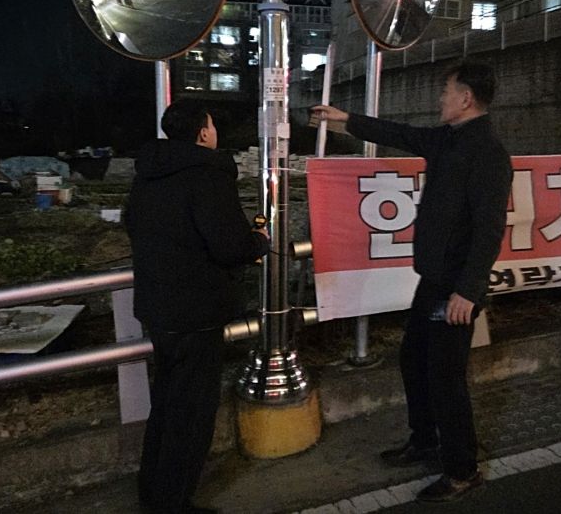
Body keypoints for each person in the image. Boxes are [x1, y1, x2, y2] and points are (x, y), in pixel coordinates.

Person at [311, 61, 512, 503]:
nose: (440, 98)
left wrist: (468, 290)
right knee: (413, 361)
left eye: (446, 90)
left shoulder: (488, 153)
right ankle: (425, 441)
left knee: (445, 377)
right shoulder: (448, 139)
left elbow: (490, 228)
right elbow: (400, 133)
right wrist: (345, 119)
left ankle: (462, 471)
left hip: (454, 285)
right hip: (433, 280)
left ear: (466, 98)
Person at [125, 100, 269, 514]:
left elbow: (132, 223)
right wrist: (258, 242)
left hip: (157, 307)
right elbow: (229, 245)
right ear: (204, 133)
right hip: (196, 311)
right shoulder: (207, 174)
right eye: (212, 125)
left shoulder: (148, 173)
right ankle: (173, 502)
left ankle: (153, 493)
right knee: (190, 414)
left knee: (166, 404)